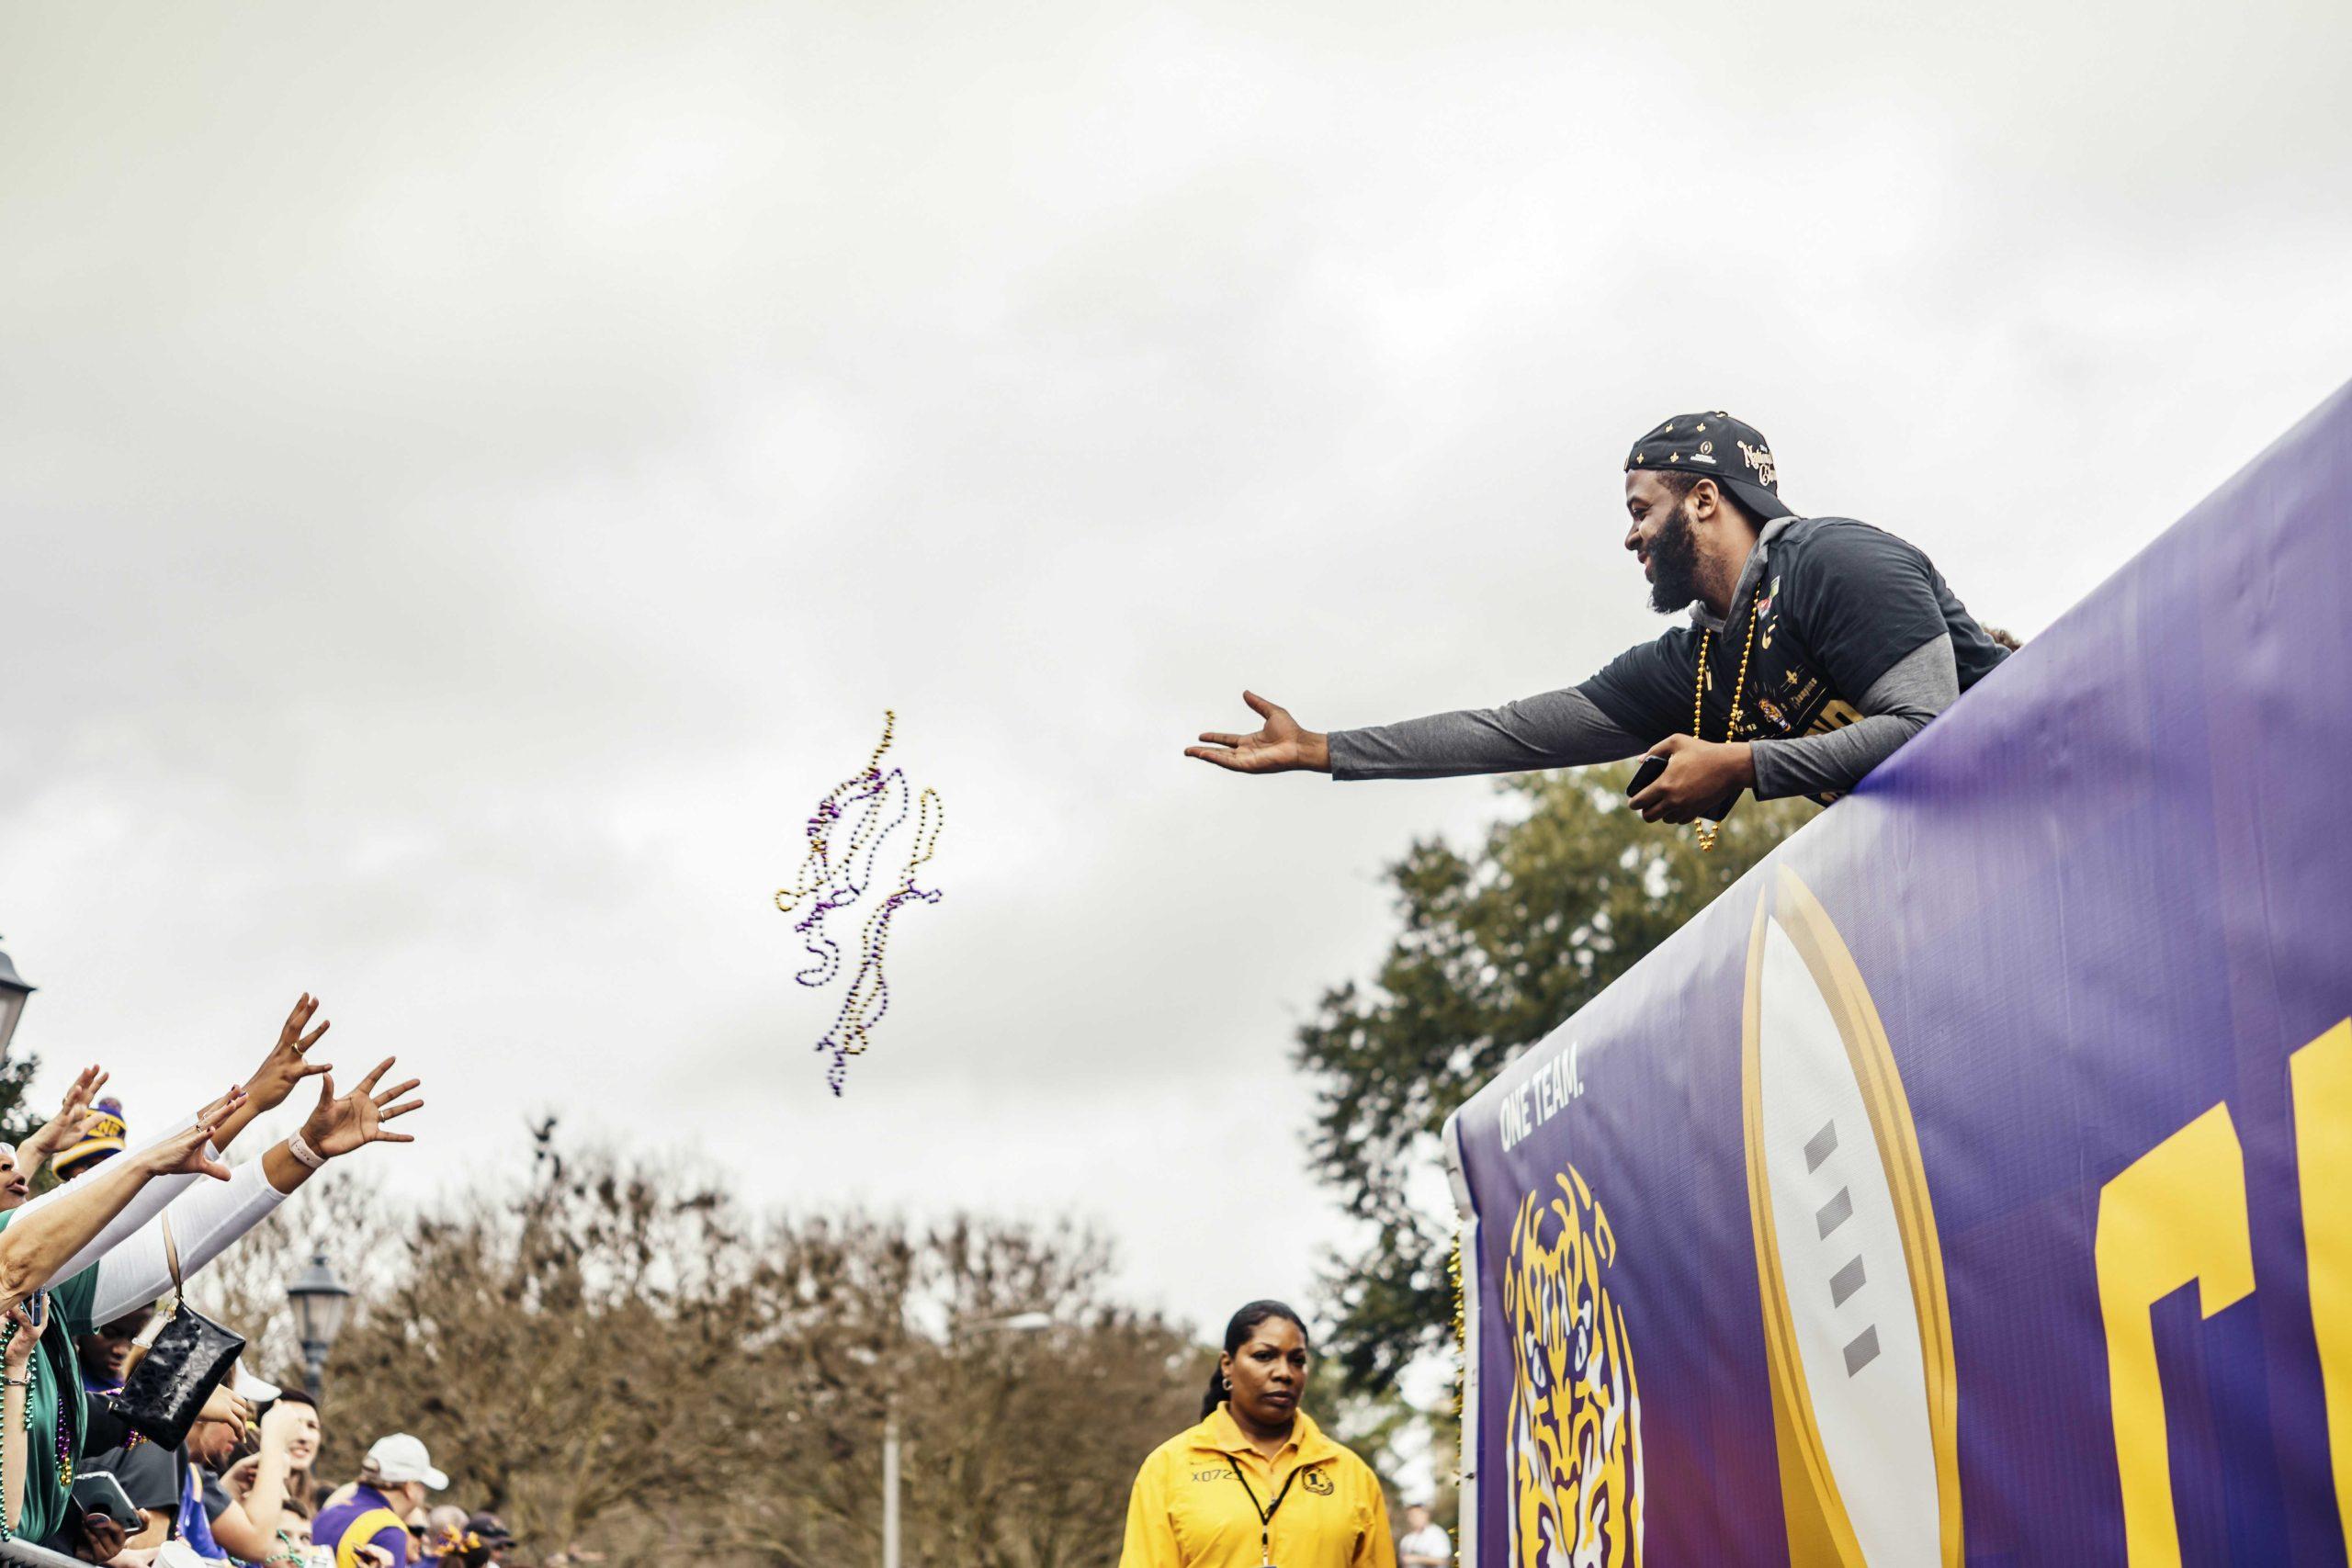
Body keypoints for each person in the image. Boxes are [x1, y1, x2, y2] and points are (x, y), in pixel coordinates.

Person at [1186, 412, 2008, 843]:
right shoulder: (1697, 663)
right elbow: (1509, 734)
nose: (1630, 536)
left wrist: (1738, 764)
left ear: (1705, 499)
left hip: (2062, 784)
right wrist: (1322, 749)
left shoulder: (1835, 560)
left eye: (1640, 510)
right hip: (1963, 857)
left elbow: (1932, 729)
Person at [1121, 1301, 1395, 1568]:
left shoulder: (1353, 1476)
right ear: (1228, 1365)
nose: (1284, 1373)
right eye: (1264, 1356)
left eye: (1297, 1360)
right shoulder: (1168, 1468)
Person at [313, 1436, 447, 1568]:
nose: (424, 1494)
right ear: (410, 1486)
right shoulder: (389, 1530)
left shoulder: (331, 1510)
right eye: (422, 1486)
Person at [1396, 1503, 1450, 1567]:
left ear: (1426, 1515)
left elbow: (1442, 1560)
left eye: (1416, 1515)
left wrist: (1415, 1559)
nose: (1412, 1519)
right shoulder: (1406, 1539)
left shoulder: (1437, 1534)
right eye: (1410, 1515)